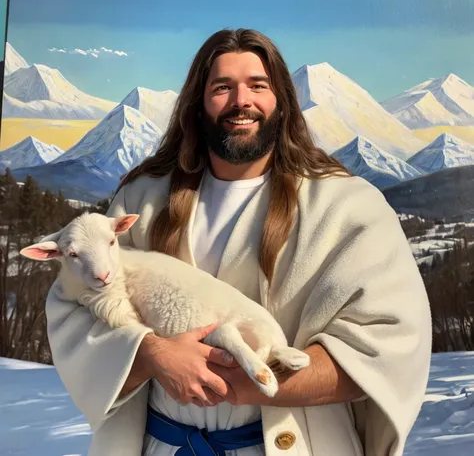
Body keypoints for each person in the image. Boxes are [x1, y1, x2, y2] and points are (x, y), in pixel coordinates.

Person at [45, 28, 432, 456]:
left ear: (282, 101)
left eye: (258, 86)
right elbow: (72, 307)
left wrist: (253, 385)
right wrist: (151, 353)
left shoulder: (347, 207)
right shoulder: (142, 200)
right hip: (164, 444)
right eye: (222, 87)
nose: (240, 100)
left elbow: (387, 342)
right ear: (197, 104)